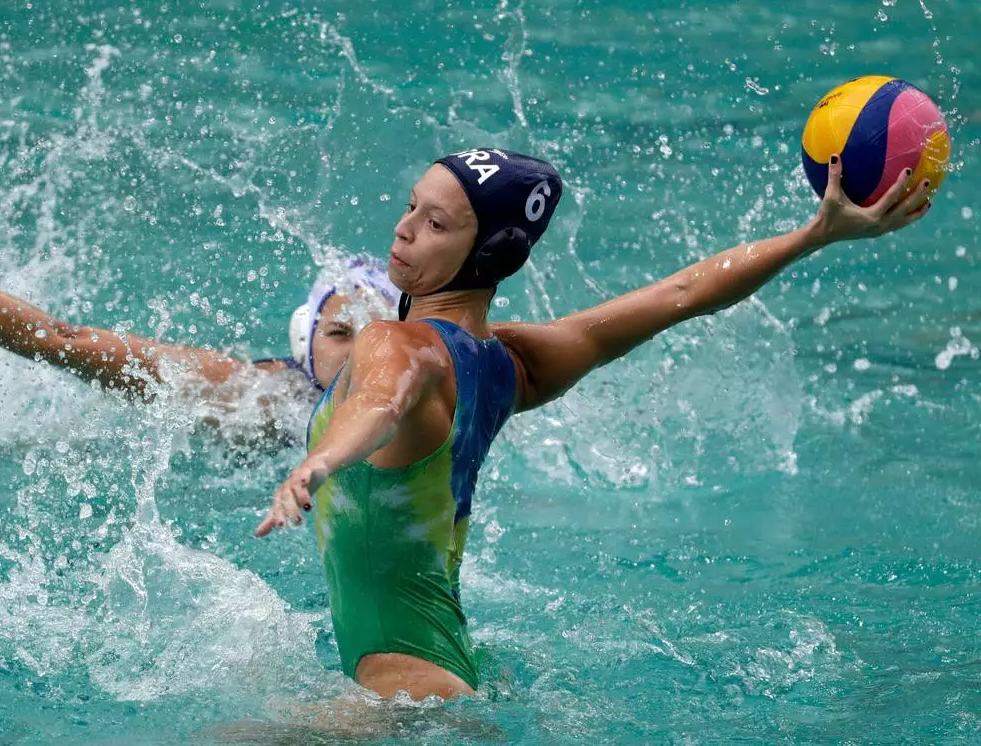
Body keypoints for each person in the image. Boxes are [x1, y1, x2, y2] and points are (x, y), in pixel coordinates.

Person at [255, 148, 934, 701]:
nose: (403, 229)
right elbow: (682, 295)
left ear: (488, 252)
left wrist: (321, 461)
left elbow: (383, 400)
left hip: (403, 704)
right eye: (411, 208)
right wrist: (816, 234)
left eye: (436, 224)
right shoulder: (512, 363)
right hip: (448, 669)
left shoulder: (398, 345)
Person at [0, 213, 400, 412]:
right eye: (341, 331)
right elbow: (63, 340)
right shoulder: (248, 398)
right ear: (304, 338)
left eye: (377, 334)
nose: (361, 350)